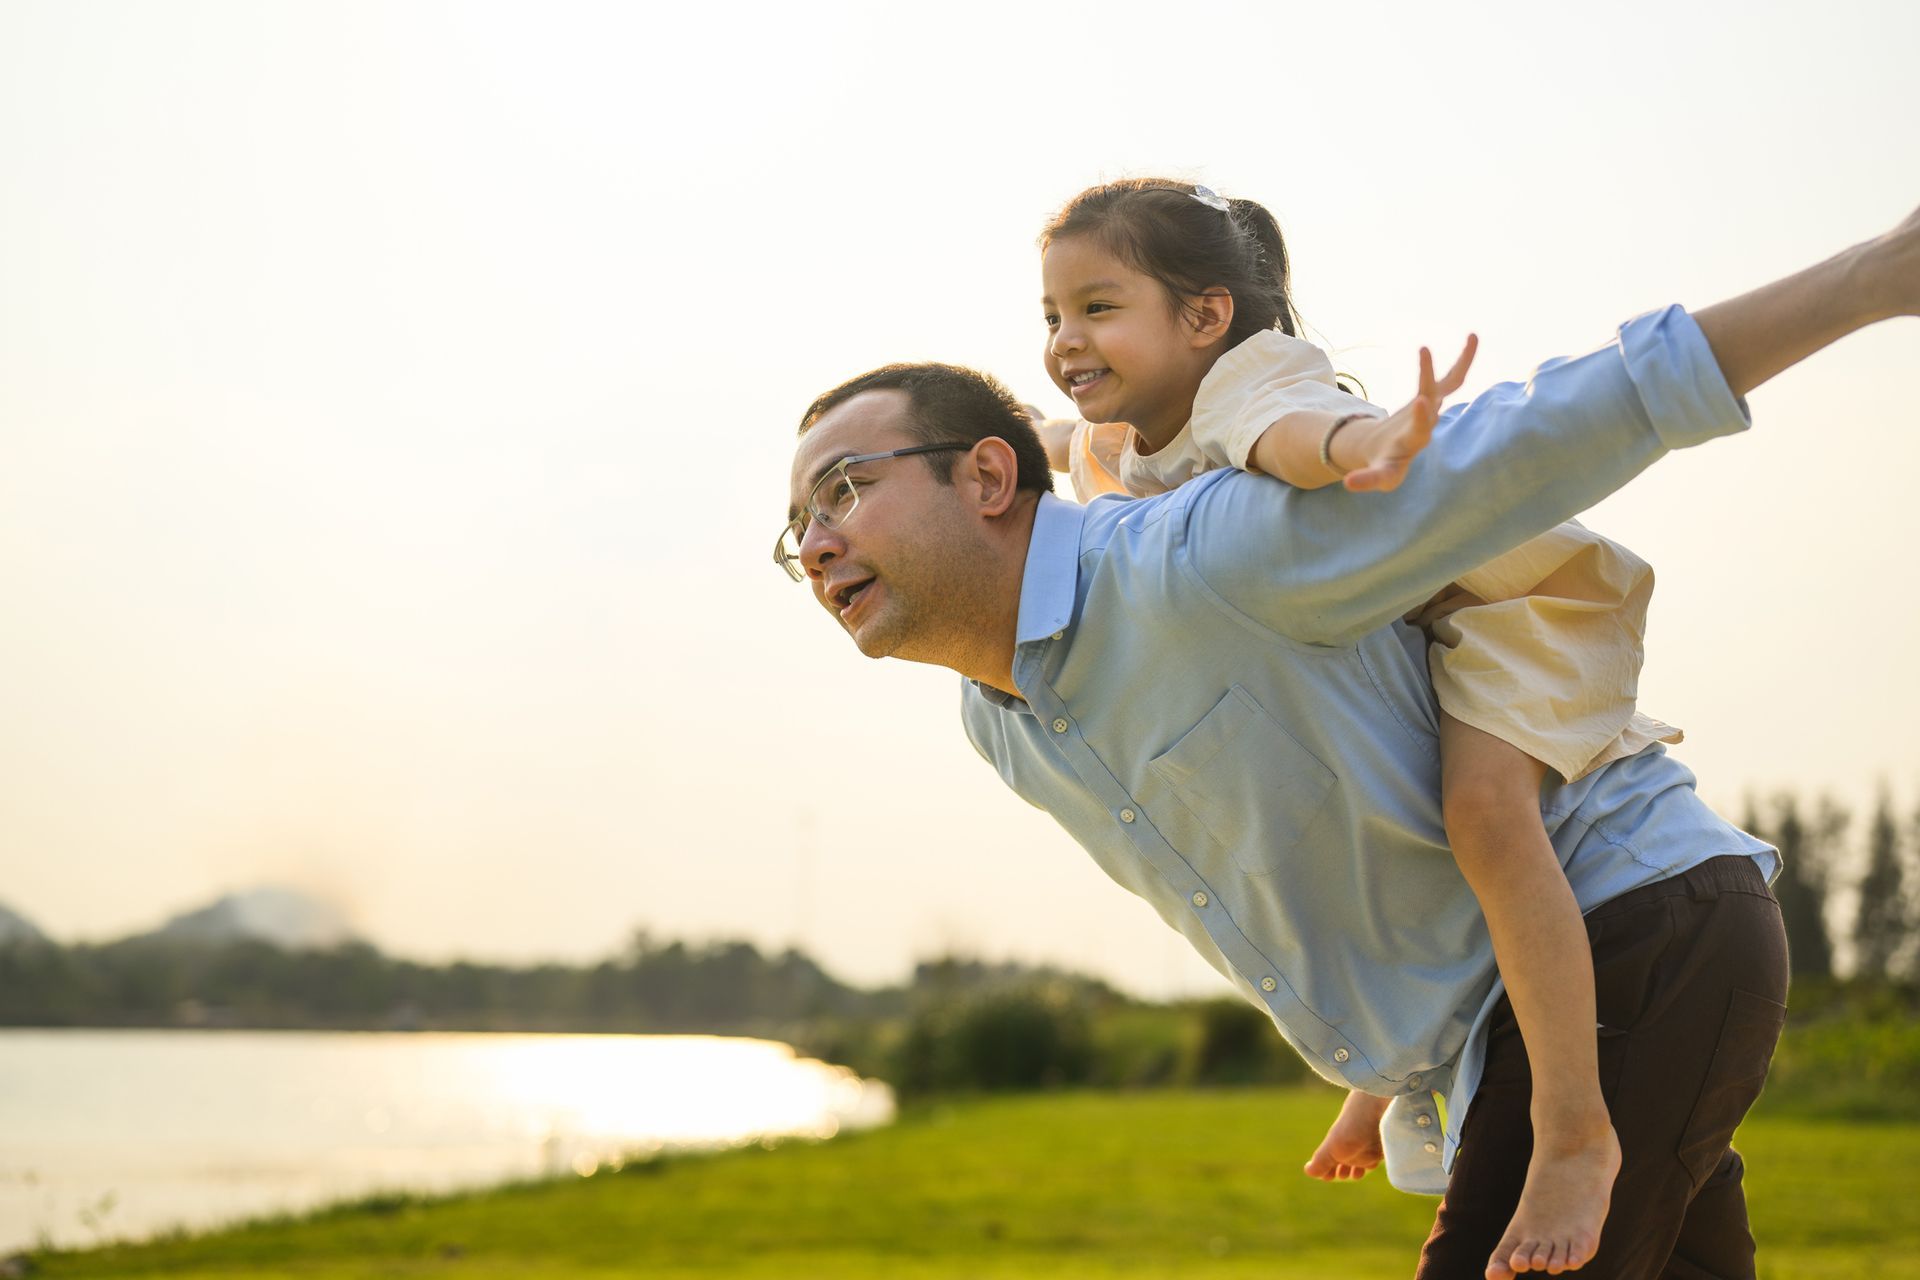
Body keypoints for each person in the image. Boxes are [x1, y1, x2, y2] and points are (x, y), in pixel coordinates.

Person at [775, 206, 1916, 1278]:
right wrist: (1374, 1076)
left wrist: (1868, 278)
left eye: (843, 490)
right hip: (1517, 1021)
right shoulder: (1003, 721)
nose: (817, 543)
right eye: (798, 527)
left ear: (983, 477)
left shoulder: (1200, 556)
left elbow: (1527, 439)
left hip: (1639, 925)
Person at [1029, 177, 1680, 1276]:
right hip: (1404, 637)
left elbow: (1297, 431)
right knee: (1380, 822)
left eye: (1097, 307)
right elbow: (1058, 441)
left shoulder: (1249, 382)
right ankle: (1393, 1071)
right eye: (1051, 315)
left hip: (1508, 613)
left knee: (1479, 813)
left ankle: (1575, 1128)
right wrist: (985, 438)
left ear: (1204, 317)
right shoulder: (1136, 439)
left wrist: (1367, 444)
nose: (1066, 338)